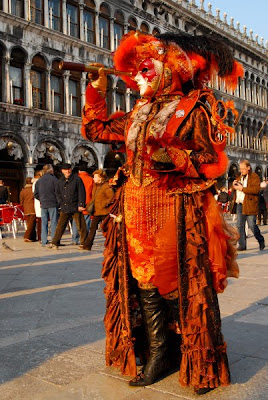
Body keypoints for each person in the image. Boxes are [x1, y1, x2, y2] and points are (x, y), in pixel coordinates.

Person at [81, 32, 242, 395]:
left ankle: (196, 356)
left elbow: (212, 160)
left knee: (177, 284)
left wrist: (173, 157)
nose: (135, 78)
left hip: (173, 210)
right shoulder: (139, 111)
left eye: (142, 70)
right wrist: (96, 90)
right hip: (134, 210)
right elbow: (97, 129)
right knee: (143, 284)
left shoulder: (194, 108)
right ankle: (159, 353)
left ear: (167, 69)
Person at [51, 163, 87, 249]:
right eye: (66, 169)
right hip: (65, 206)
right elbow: (57, 193)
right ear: (62, 171)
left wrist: (81, 204)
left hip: (75, 205)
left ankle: (84, 243)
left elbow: (81, 192)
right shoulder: (60, 181)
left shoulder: (77, 179)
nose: (68, 171)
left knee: (81, 225)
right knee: (61, 225)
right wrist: (60, 202)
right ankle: (55, 242)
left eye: (69, 169)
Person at [233, 160, 265, 251]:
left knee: (252, 225)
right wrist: (234, 185)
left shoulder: (254, 177)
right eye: (240, 168)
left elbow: (255, 190)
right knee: (240, 225)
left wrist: (242, 188)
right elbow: (235, 189)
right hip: (240, 203)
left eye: (243, 168)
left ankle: (260, 240)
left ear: (248, 168)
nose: (241, 170)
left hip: (250, 204)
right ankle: (242, 245)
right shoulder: (239, 177)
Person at [80, 169, 114, 251]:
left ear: (101, 178)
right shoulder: (95, 186)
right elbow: (94, 198)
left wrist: (104, 204)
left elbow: (112, 197)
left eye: (95, 177)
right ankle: (87, 245)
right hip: (96, 211)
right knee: (92, 229)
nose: (94, 178)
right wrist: (88, 205)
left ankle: (111, 245)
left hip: (104, 212)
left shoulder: (106, 186)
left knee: (108, 229)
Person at [34, 164, 59, 247]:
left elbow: (36, 194)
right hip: (52, 203)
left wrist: (41, 199)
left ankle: (44, 240)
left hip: (43, 204)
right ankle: (54, 240)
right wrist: (58, 201)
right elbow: (58, 192)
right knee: (53, 222)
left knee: (44, 222)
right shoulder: (54, 179)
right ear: (50, 170)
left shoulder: (39, 181)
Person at [72, 167, 94, 245]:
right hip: (87, 203)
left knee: (75, 222)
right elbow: (93, 192)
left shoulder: (75, 179)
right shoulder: (91, 179)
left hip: (76, 203)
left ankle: (75, 239)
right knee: (86, 222)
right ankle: (84, 239)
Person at [20, 177, 36, 242]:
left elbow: (21, 201)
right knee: (31, 223)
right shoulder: (33, 190)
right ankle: (27, 236)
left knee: (30, 222)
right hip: (33, 208)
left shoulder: (23, 191)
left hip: (26, 208)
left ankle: (33, 237)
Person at [32, 170, 43, 243]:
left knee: (41, 221)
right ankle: (40, 237)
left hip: (41, 203)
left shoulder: (37, 182)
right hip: (40, 204)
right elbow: (35, 194)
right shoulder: (37, 182)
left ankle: (41, 237)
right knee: (40, 221)